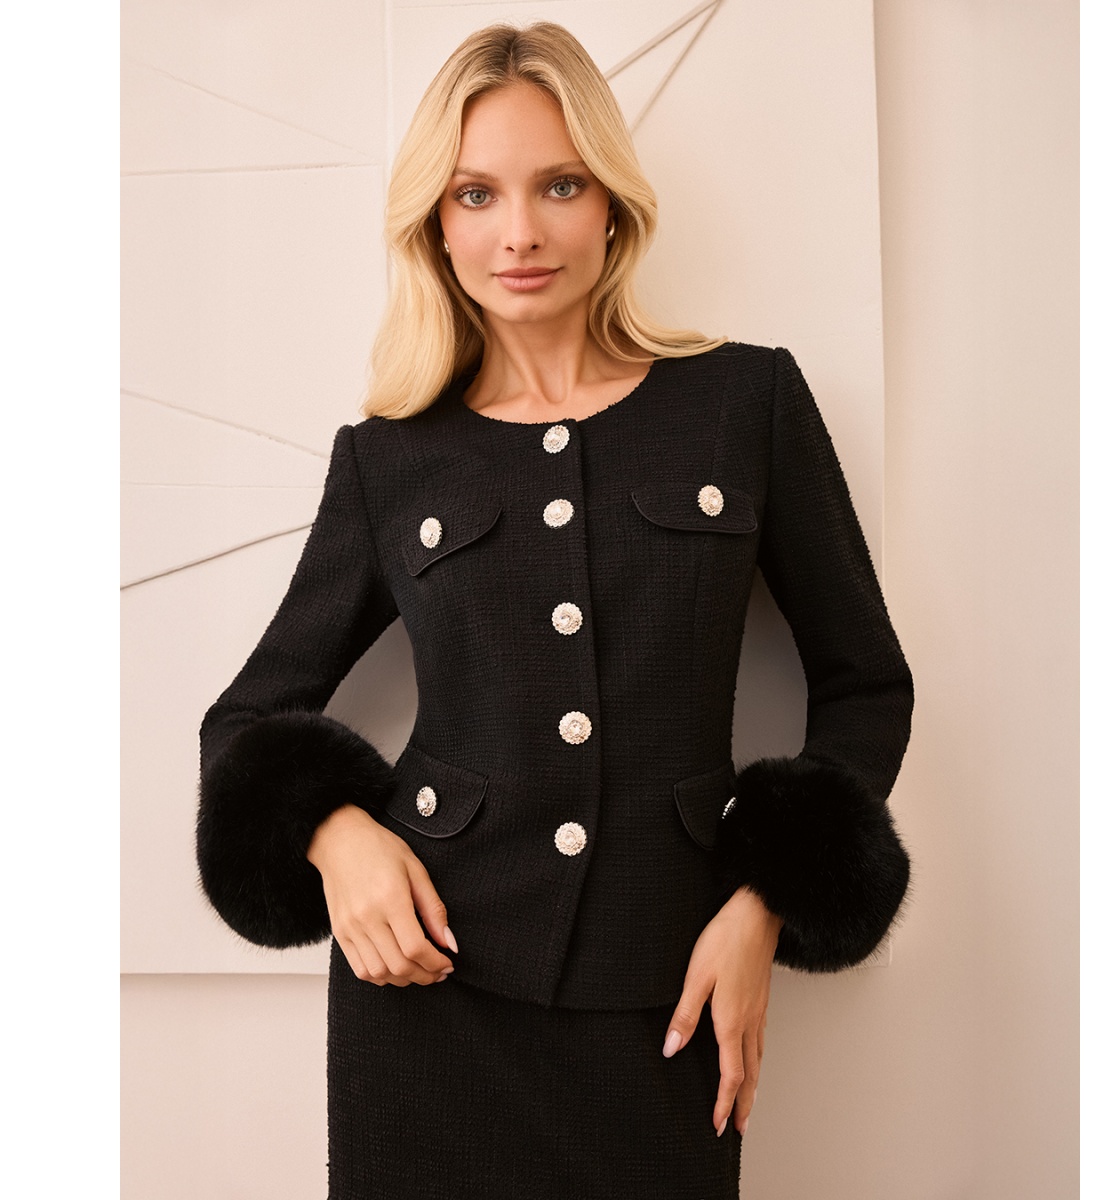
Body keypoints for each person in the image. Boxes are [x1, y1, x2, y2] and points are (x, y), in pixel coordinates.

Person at [195, 20, 913, 1200]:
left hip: (667, 992)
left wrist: (764, 907)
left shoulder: (746, 404)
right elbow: (245, 719)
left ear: (613, 206)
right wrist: (339, 836)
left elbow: (866, 685)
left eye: (559, 186)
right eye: (476, 194)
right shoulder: (390, 459)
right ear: (436, 225)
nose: (519, 232)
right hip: (427, 997)